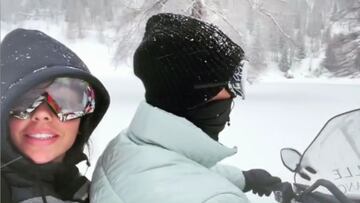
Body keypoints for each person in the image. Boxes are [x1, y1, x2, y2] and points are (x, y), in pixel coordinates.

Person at [91, 13, 280, 203]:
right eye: (233, 82)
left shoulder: (124, 147)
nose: (235, 94)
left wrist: (244, 178)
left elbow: (176, 174)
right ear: (195, 93)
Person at [0, 28, 110, 203]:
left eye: (65, 101)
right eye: (24, 102)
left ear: (82, 122)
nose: (43, 114)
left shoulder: (96, 195)